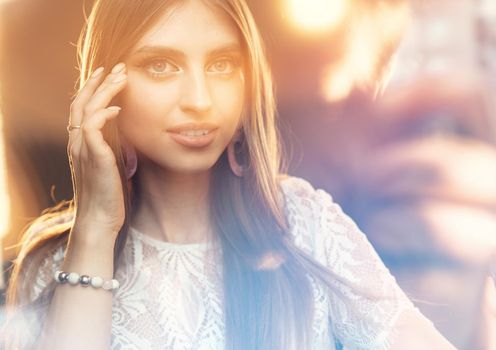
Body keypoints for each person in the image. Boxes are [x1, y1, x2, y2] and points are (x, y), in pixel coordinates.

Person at [1, 0, 456, 349]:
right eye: (161, 66)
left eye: (222, 65)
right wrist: (96, 230)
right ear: (102, 90)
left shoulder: (301, 223)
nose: (200, 98)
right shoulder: (52, 264)